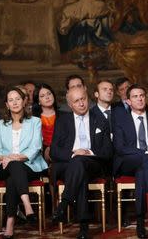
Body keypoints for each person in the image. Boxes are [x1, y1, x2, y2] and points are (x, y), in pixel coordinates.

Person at [51, 87, 112, 239]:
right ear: (70, 105)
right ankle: (83, 227)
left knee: (81, 165)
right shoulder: (62, 121)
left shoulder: (100, 119)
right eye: (76, 101)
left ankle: (64, 204)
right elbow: (54, 151)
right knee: (79, 170)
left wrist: (89, 153)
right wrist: (73, 153)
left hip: (93, 163)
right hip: (69, 164)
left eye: (83, 99)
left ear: (88, 98)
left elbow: (108, 150)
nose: (81, 103)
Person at [113, 84, 148, 238]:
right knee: (145, 159)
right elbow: (120, 148)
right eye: (135, 96)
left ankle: (139, 221)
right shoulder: (121, 120)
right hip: (127, 163)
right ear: (128, 101)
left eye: (142, 95)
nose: (139, 99)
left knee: (143, 170)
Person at [0, 87, 48, 238]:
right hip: (3, 166)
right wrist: (5, 159)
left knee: (12, 177)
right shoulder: (0, 125)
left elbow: (35, 148)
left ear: (24, 102)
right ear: (7, 105)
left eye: (18, 99)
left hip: (30, 166)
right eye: (11, 100)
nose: (15, 102)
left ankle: (10, 223)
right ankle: (27, 206)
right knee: (13, 167)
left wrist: (12, 158)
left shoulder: (35, 122)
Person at [32, 83, 60, 163]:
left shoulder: (64, 115)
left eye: (49, 94)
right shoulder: (33, 119)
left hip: (60, 149)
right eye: (42, 96)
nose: (47, 97)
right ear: (38, 101)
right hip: (40, 152)